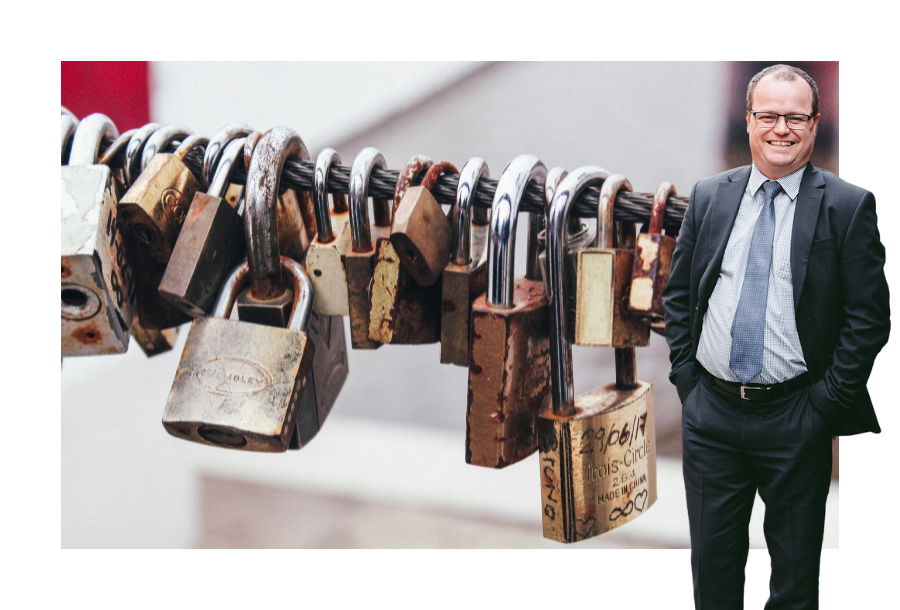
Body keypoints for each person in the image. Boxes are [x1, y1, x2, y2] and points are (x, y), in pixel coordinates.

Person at [662, 64, 890, 609]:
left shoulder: (847, 206)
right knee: (713, 579)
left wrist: (824, 405)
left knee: (793, 585)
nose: (781, 129)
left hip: (796, 418)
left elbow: (869, 317)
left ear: (815, 124)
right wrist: (688, 380)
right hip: (711, 415)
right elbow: (678, 294)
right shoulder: (709, 195)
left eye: (795, 117)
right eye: (767, 116)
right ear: (747, 121)